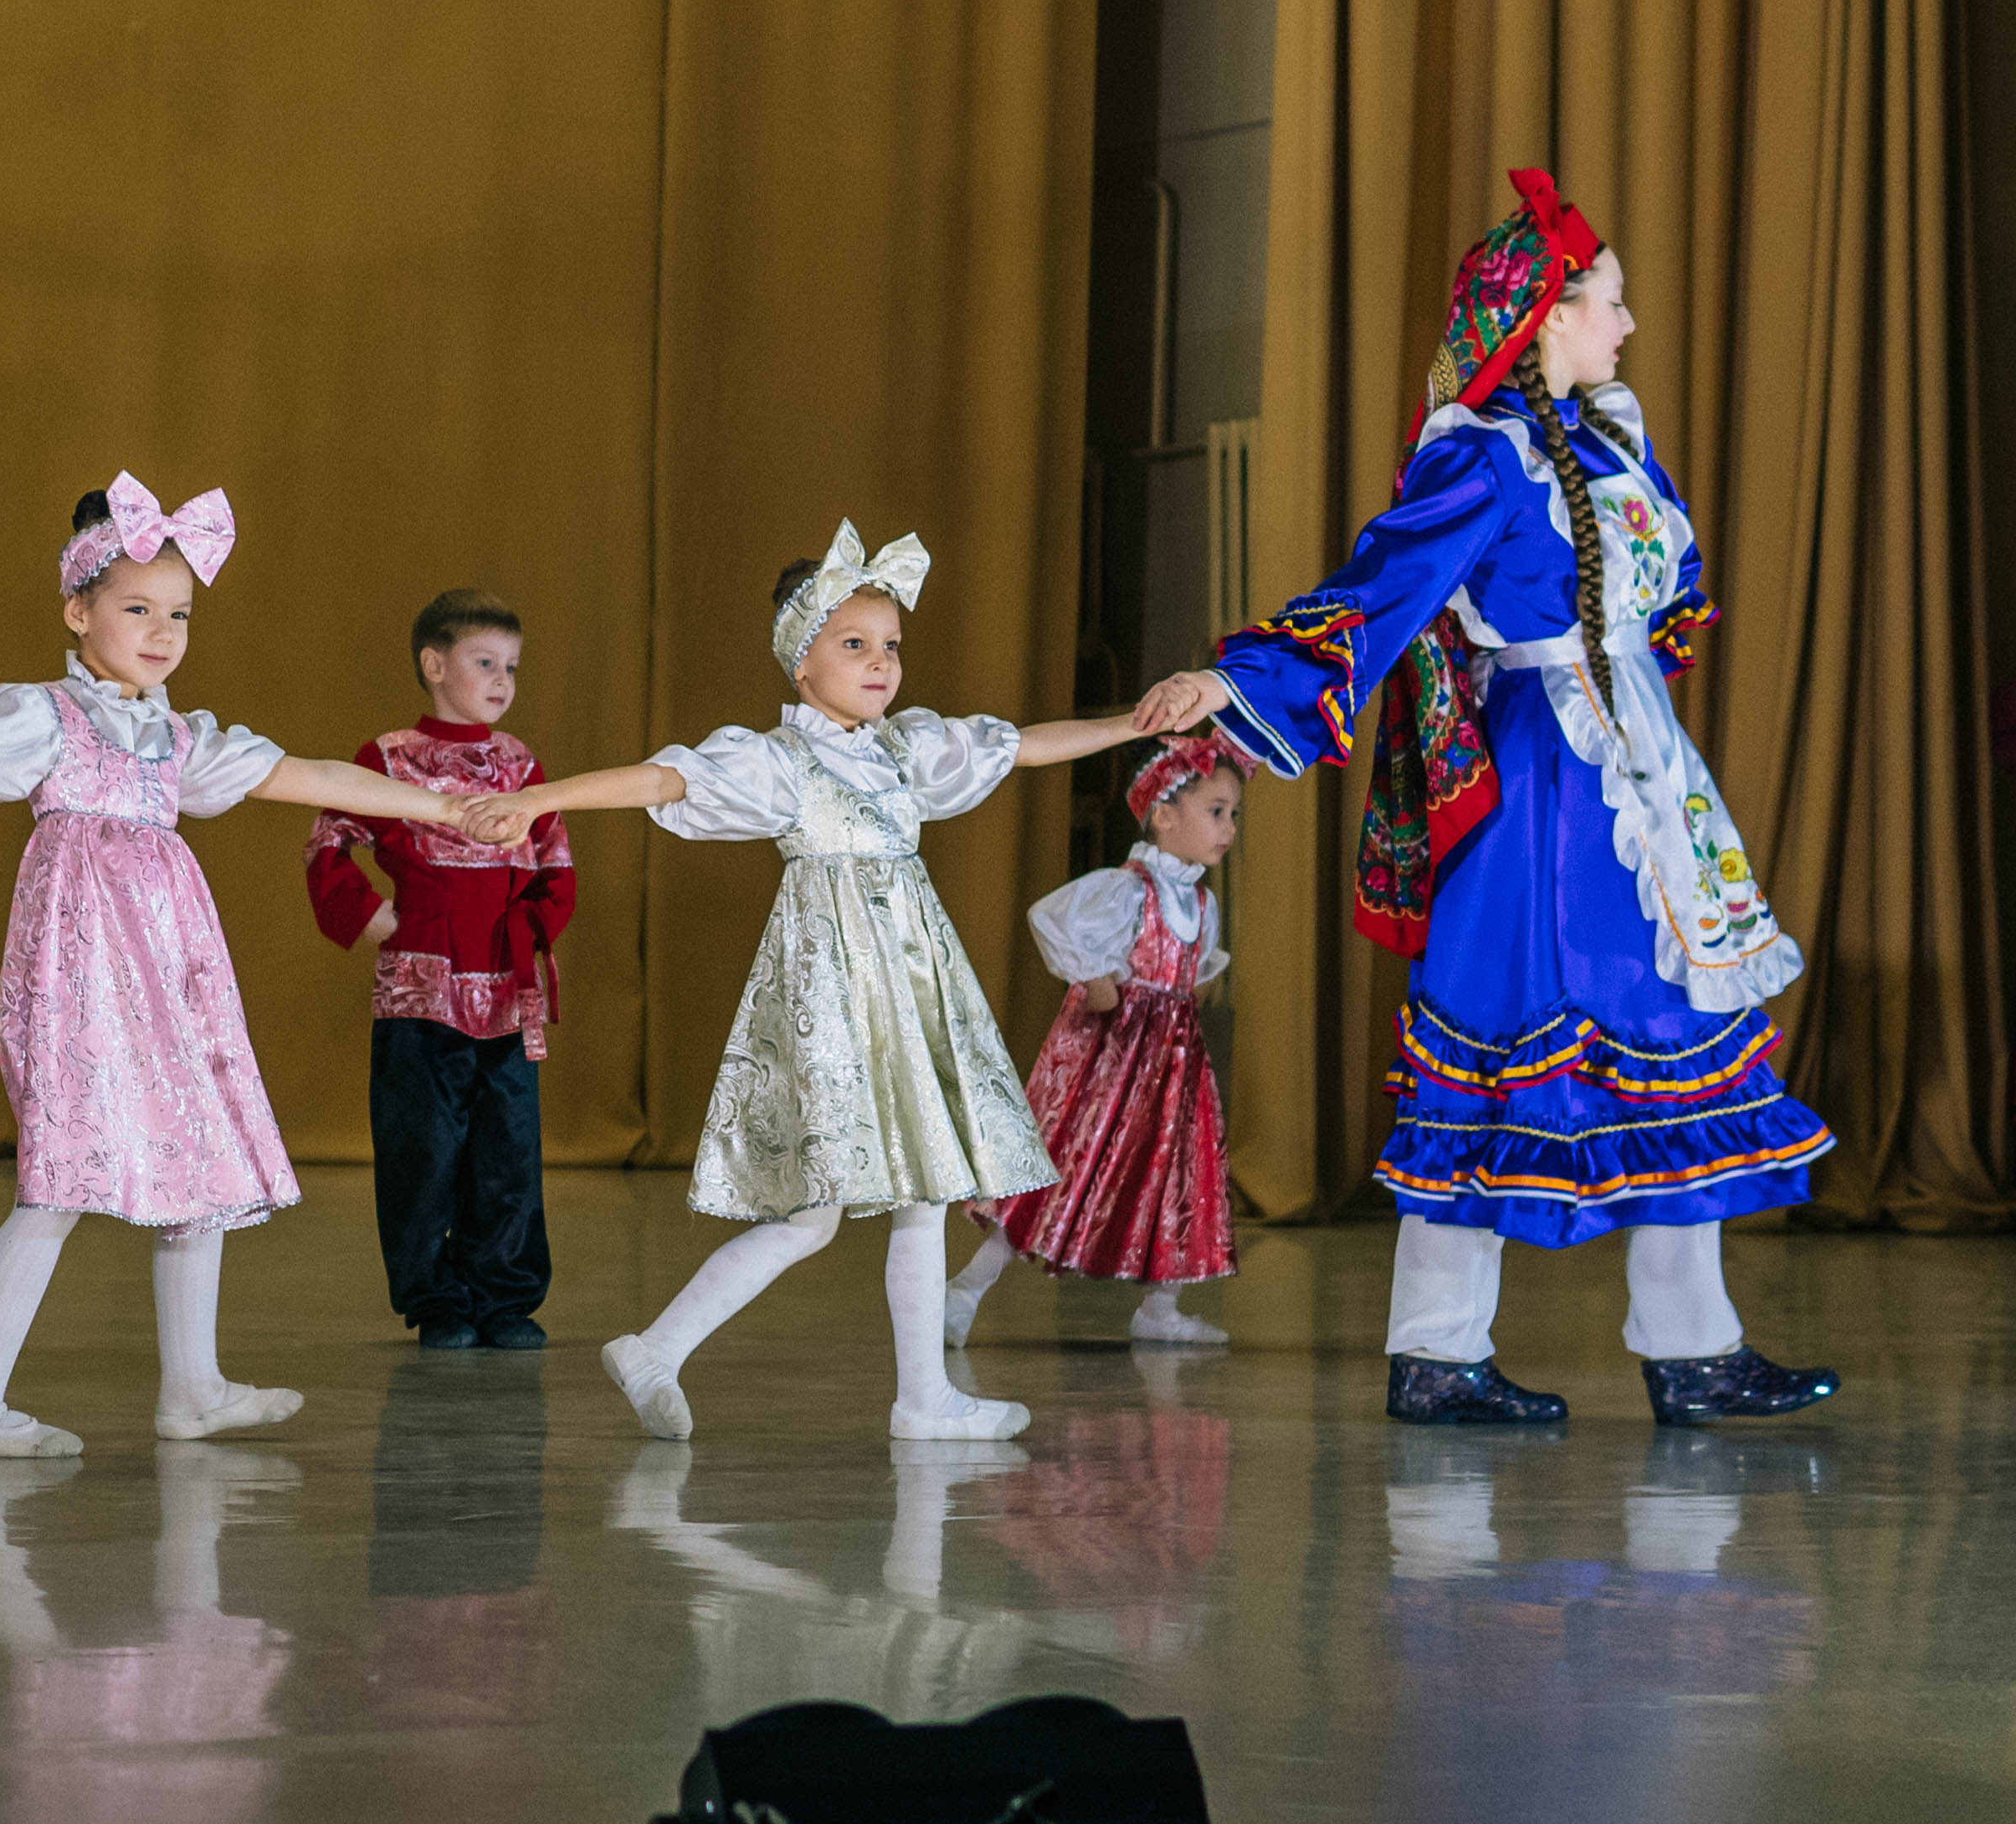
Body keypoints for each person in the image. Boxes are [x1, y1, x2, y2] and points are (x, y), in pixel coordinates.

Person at [1134, 169, 1838, 1426]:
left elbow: (1660, 602)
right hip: (1544, 791)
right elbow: (1380, 587)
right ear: (1547, 314)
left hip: (1640, 771)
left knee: (1675, 1031)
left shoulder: (1609, 438)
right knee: (1504, 1036)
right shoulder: (1482, 455)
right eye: (1608, 300)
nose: (1626, 323)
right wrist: (1232, 677)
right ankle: (1436, 1351)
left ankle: (1693, 1347)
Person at [0, 475, 481, 1458]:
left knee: (201, 1158)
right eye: (137, 609)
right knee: (59, 1178)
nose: (163, 631)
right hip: (83, 972)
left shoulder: (176, 737)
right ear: (77, 611)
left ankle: (194, 1388)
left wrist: (443, 808)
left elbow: (306, 773)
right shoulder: (44, 718)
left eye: (179, 613)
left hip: (168, 972)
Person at [469, 523, 1143, 1443]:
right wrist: (539, 799)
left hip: (908, 988)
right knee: (829, 1211)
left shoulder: (903, 749)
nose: (880, 663)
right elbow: (662, 781)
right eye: (854, 644)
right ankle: (696, 1354)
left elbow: (1018, 746)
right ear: (800, 661)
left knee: (900, 1199)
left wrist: (1136, 723)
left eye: (890, 645)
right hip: (836, 997)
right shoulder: (780, 762)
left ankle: (882, 1390)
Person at [303, 587, 573, 1349]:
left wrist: (533, 926)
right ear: (434, 664)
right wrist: (369, 915)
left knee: (508, 1148)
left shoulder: (520, 763)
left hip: (506, 988)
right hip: (419, 990)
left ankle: (505, 1297)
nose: (502, 679)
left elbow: (556, 859)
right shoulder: (388, 758)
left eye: (512, 666)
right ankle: (437, 1300)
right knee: (421, 1149)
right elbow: (328, 838)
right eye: (485, 662)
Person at [944, 729, 1244, 1347]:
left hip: (1172, 1068)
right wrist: (1100, 979)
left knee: (1174, 1174)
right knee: (1065, 1171)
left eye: (1233, 814)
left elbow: (1190, 970)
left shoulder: (1200, 902)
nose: (1229, 827)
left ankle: (1161, 1308)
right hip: (1113, 1061)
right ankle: (966, 1289)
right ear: (1164, 815)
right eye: (1216, 811)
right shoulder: (1127, 889)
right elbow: (1053, 918)